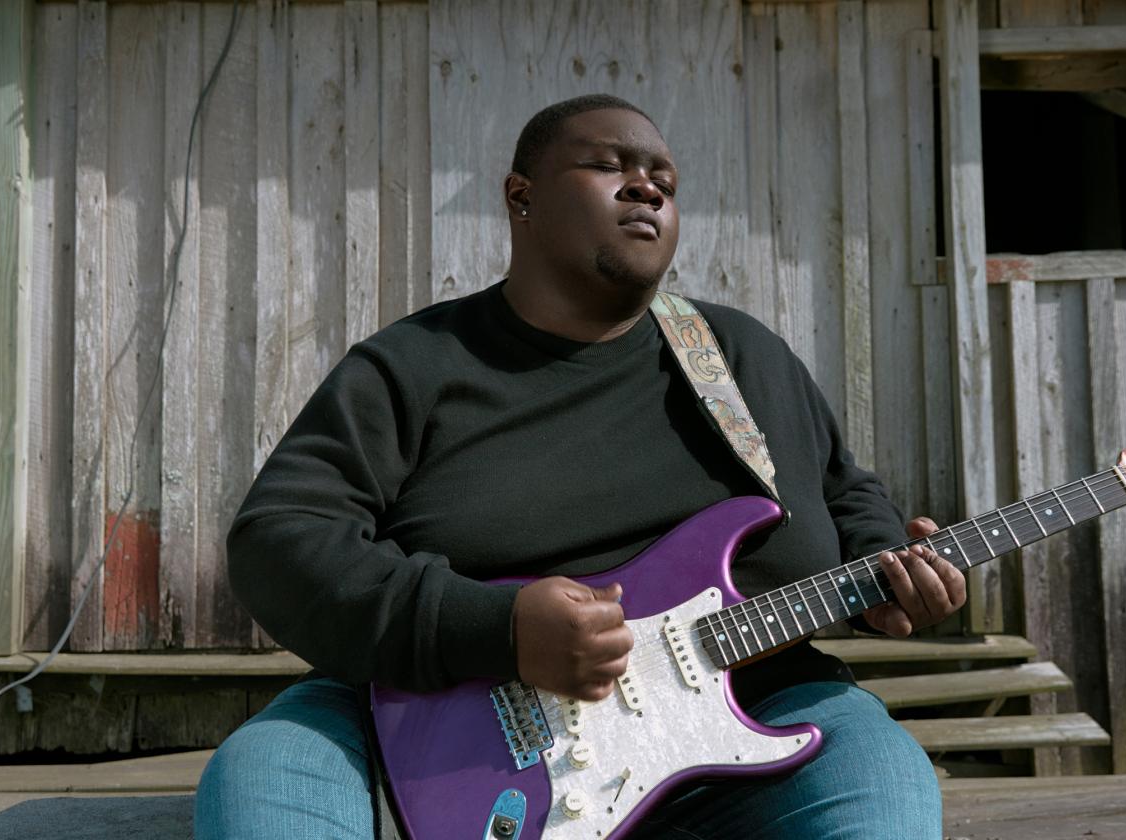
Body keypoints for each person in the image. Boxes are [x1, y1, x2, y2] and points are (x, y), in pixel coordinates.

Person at [195, 94, 965, 839]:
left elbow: (840, 485)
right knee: (266, 771)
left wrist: (885, 566)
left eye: (664, 179)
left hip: (758, 704)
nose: (646, 186)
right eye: (609, 165)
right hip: (437, 714)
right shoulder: (415, 366)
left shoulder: (735, 357)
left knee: (885, 790)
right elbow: (280, 539)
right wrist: (495, 627)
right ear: (521, 198)